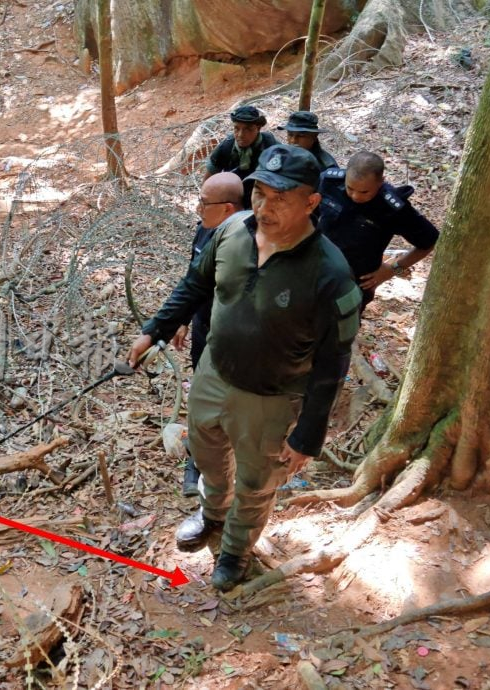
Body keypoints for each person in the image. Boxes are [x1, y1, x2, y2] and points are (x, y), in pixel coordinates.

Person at [128, 145, 361, 591]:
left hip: (270, 397)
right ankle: (212, 513)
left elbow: (334, 363)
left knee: (256, 481)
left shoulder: (330, 273)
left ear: (311, 202)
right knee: (207, 456)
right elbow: (195, 283)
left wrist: (307, 436)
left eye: (280, 199)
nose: (264, 208)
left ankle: (236, 548)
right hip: (212, 374)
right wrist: (155, 329)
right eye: (259, 194)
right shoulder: (232, 231)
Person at [172, 173, 247, 497]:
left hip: (237, 339)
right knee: (201, 397)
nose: (198, 208)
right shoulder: (204, 229)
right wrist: (182, 319)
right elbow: (194, 278)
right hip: (204, 327)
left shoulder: (250, 240)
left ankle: (233, 466)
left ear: (228, 208)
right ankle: (196, 463)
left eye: (204, 202)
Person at [317, 151, 440, 309]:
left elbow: (429, 241)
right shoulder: (329, 182)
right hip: (317, 269)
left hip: (353, 283)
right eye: (350, 188)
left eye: (364, 192)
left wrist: (393, 269)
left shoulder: (392, 208)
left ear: (381, 182)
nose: (355, 196)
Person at [204, 106, 278, 209]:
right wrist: (206, 203)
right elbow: (209, 178)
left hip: (262, 199)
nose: (241, 135)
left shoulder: (270, 145)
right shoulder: (226, 147)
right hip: (233, 199)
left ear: (258, 128)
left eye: (248, 129)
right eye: (236, 128)